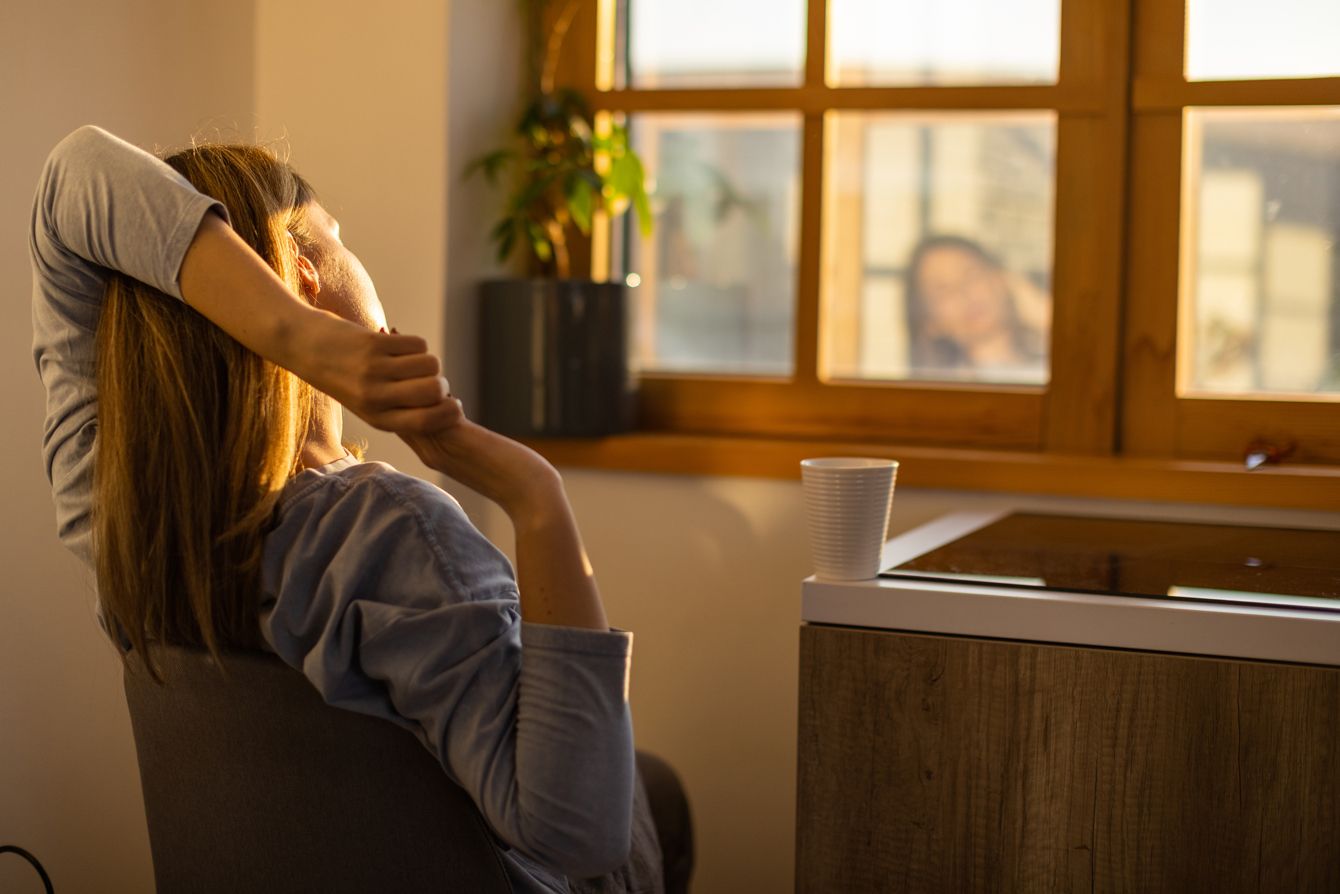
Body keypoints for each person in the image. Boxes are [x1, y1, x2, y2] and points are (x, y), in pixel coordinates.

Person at [30, 125, 668, 892]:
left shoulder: (124, 525)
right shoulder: (391, 534)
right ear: (304, 278)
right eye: (340, 237)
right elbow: (576, 837)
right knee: (655, 794)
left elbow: (69, 183)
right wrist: (536, 496)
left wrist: (295, 339)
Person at [903, 234, 1049, 382]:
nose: (962, 293)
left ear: (1001, 278)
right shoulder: (941, 387)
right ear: (928, 322)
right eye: (943, 290)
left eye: (970, 274)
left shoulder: (1049, 364)